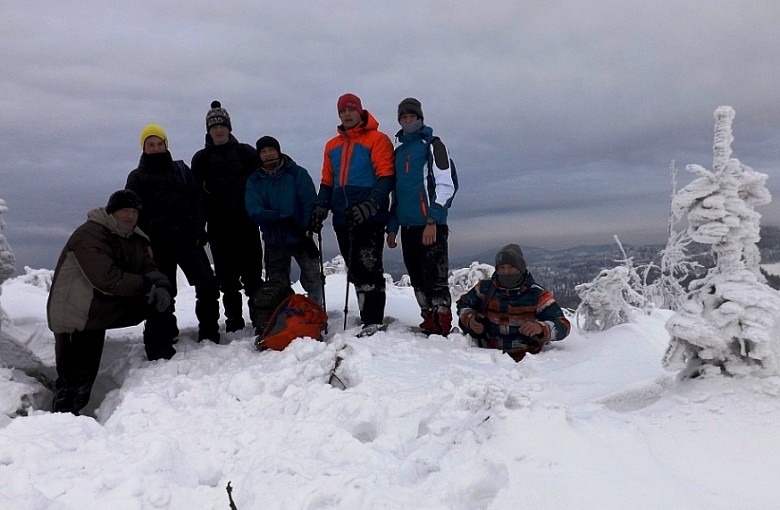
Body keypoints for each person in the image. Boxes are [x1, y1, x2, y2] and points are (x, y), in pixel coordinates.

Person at [47, 190, 177, 414]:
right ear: (112, 212)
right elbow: (108, 280)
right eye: (124, 210)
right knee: (76, 384)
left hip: (102, 307)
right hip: (76, 314)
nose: (130, 216)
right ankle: (60, 421)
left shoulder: (134, 237)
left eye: (134, 211)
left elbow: (149, 268)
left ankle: (161, 361)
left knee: (159, 304)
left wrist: (163, 286)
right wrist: (148, 285)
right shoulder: (90, 235)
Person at [126, 124, 221, 343]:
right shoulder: (137, 177)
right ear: (144, 148)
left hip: (187, 239)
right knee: (164, 291)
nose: (156, 148)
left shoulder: (180, 169)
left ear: (166, 145)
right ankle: (167, 333)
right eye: (151, 144)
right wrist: (144, 241)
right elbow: (132, 213)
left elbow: (198, 198)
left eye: (160, 144)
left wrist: (198, 228)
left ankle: (209, 332)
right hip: (157, 244)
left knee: (207, 285)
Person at [310, 93, 395, 336]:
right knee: (355, 269)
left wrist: (371, 205)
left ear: (360, 111)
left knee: (369, 267)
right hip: (342, 217)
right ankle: (366, 316)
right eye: (343, 111)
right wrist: (321, 207)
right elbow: (327, 181)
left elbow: (386, 177)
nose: (347, 114)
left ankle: (373, 321)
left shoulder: (377, 139)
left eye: (351, 109)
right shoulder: (332, 146)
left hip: (370, 216)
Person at [386, 97, 458, 336]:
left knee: (435, 278)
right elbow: (397, 192)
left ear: (420, 118)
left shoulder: (434, 145)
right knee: (417, 278)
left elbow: (446, 185)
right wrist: (392, 227)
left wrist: (432, 220)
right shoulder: (399, 152)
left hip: (430, 226)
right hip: (407, 226)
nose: (408, 121)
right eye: (404, 117)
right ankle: (428, 318)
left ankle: (442, 324)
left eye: (412, 116)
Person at [191, 101, 264, 333]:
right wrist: (199, 225)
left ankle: (260, 319)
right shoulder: (200, 159)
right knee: (227, 278)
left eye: (222, 125)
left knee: (253, 275)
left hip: (246, 223)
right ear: (208, 130)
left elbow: (262, 184)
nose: (218, 130)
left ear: (229, 127)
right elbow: (197, 196)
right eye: (214, 127)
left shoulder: (246, 153)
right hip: (218, 227)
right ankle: (234, 322)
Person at [245, 136, 324, 308]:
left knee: (313, 276)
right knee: (277, 283)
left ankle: (317, 312)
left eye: (271, 150)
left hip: (299, 235)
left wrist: (305, 229)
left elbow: (309, 202)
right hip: (274, 238)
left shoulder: (297, 173)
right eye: (263, 151)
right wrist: (279, 217)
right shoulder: (255, 180)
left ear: (278, 150)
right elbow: (254, 210)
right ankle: (283, 317)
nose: (268, 154)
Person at [456, 244, 571, 362]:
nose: (506, 271)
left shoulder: (537, 295)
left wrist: (541, 329)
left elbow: (563, 325)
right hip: (488, 359)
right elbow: (463, 304)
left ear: (521, 268)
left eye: (511, 267)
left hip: (529, 362)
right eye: (502, 267)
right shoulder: (484, 289)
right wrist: (469, 319)